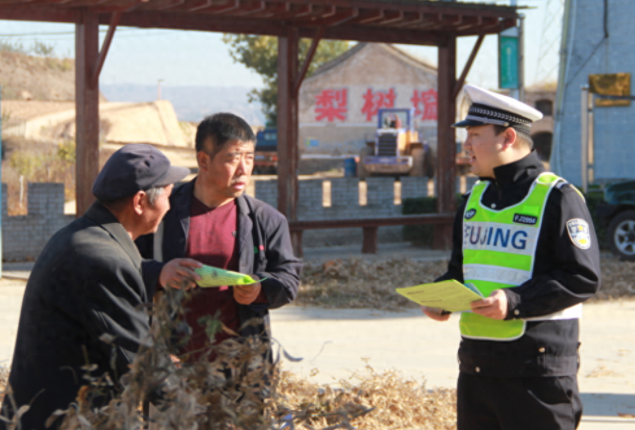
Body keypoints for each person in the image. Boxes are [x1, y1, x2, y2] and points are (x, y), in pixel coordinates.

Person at [421, 85, 601, 430]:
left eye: (474, 135)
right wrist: (441, 296)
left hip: (537, 373)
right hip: (476, 368)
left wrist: (515, 301)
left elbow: (582, 277)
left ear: (506, 137)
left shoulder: (558, 197)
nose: (466, 145)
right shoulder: (473, 199)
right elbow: (460, 271)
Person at [1, 144, 201, 430]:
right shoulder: (103, 260)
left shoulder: (83, 237)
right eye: (167, 196)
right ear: (140, 201)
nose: (169, 207)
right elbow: (142, 364)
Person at [137, 113, 302, 361]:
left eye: (249, 158)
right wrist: (158, 274)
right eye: (233, 158)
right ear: (204, 161)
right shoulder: (163, 211)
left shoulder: (267, 219)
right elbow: (121, 266)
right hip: (173, 365)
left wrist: (259, 289)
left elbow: (289, 279)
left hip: (243, 366)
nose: (244, 169)